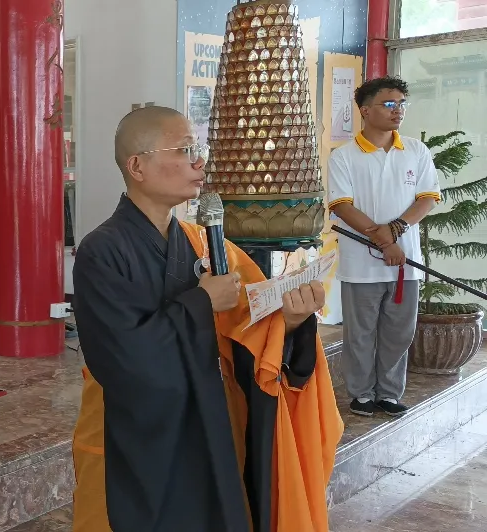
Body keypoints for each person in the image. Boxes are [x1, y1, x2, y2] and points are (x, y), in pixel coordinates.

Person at [70, 106, 343, 531]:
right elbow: (122, 360)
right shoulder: (101, 250)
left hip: (213, 419)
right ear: (137, 166)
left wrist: (290, 320)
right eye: (184, 150)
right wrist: (199, 304)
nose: (200, 162)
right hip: (136, 433)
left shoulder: (205, 243)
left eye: (199, 149)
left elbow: (248, 330)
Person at [327, 76, 441, 417]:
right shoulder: (344, 156)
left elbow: (427, 198)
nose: (398, 110)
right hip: (361, 264)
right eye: (389, 104)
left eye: (402, 104)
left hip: (405, 260)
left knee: (398, 331)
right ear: (365, 110)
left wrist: (395, 231)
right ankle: (361, 393)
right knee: (360, 333)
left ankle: (389, 393)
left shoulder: (416, 150)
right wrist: (383, 239)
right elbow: (341, 206)